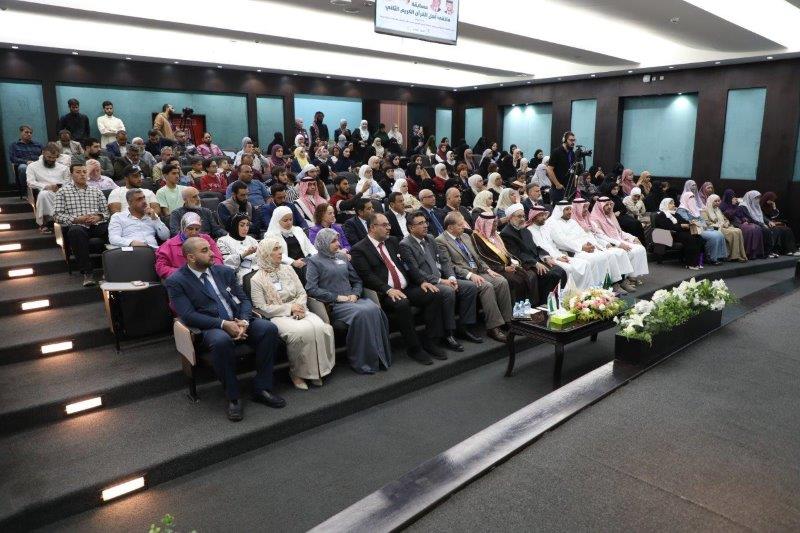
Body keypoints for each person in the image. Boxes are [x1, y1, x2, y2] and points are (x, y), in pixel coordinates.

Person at [166, 236, 284, 421]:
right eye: (204, 251)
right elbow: (188, 315)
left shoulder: (224, 271)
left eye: (210, 248)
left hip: (238, 319)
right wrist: (223, 325)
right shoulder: (177, 281)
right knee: (221, 341)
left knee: (268, 329)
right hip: (210, 326)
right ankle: (233, 396)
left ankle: (262, 388)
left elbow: (244, 300)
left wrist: (244, 321)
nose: (212, 253)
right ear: (190, 257)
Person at [350, 212, 447, 363]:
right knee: (402, 304)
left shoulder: (393, 241)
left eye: (389, 224)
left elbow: (408, 265)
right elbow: (367, 276)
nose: (389, 228)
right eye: (384, 225)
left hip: (406, 287)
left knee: (434, 293)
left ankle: (430, 341)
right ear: (372, 228)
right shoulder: (359, 249)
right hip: (385, 293)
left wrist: (421, 281)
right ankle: (414, 348)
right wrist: (388, 289)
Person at [250, 236, 334, 390]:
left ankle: (316, 371)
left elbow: (302, 292)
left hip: (300, 308)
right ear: (266, 253)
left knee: (320, 327)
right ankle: (297, 373)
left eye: (280, 248)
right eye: (275, 249)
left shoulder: (288, 269)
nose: (280, 252)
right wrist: (290, 309)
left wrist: (299, 307)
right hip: (277, 315)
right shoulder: (256, 279)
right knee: (301, 332)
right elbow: (261, 307)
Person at [306, 228, 392, 374]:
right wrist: (337, 297)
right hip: (334, 304)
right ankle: (364, 361)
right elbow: (311, 289)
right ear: (324, 242)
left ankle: (379, 356)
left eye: (338, 240)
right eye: (333, 241)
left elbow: (357, 280)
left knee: (375, 308)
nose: (338, 244)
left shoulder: (342, 257)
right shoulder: (314, 261)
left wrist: (355, 294)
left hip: (353, 299)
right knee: (362, 313)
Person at [400, 211, 483, 351]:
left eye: (425, 222)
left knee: (470, 287)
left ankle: (464, 327)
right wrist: (441, 280)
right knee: (448, 291)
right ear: (411, 228)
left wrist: (451, 277)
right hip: (425, 283)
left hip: (443, 278)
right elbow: (415, 271)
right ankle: (448, 333)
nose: (425, 225)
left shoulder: (430, 238)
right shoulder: (405, 244)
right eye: (420, 223)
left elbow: (444, 261)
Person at [436, 212, 511, 342]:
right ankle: (493, 327)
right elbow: (448, 265)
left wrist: (488, 269)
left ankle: (508, 320)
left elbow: (477, 257)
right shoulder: (441, 241)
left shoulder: (465, 236)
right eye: (460, 225)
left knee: (501, 281)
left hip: (478, 271)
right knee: (486, 286)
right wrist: (470, 275)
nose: (464, 227)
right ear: (450, 227)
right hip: (462, 276)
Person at [546, 200, 628, 292]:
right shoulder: (552, 222)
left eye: (570, 209)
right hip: (571, 251)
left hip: (583, 248)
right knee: (594, 259)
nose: (569, 212)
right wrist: (582, 247)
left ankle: (609, 285)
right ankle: (595, 289)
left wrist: (589, 244)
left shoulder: (572, 221)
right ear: (560, 210)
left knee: (605, 256)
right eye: (566, 209)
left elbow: (583, 235)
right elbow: (561, 241)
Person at [53, 162, 109, 286]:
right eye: (78, 172)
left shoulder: (96, 191)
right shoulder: (62, 192)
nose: (82, 175)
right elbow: (57, 215)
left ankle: (111, 268)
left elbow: (106, 212)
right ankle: (87, 273)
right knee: (75, 232)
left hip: (96, 224)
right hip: (77, 225)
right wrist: (76, 219)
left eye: (84, 172)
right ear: (71, 175)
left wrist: (98, 217)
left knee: (112, 229)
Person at [500, 204, 567, 304]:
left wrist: (546, 257)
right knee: (551, 275)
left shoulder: (525, 230)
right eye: (519, 216)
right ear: (510, 218)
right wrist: (535, 263)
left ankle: (558, 300)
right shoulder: (506, 233)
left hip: (535, 260)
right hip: (525, 264)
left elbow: (535, 247)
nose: (522, 219)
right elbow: (517, 254)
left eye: (523, 216)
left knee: (561, 271)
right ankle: (545, 303)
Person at [529, 204, 604, 291]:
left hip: (558, 254)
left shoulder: (544, 228)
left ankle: (586, 291)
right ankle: (570, 293)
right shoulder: (530, 231)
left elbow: (552, 245)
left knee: (585, 264)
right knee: (569, 268)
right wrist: (557, 257)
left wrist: (560, 255)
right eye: (541, 215)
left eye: (544, 215)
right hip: (547, 259)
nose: (544, 217)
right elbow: (541, 249)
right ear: (534, 217)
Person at [472, 212, 538, 304]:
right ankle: (516, 309)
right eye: (493, 223)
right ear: (485, 224)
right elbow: (483, 258)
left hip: (505, 266)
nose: (496, 225)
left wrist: (512, 262)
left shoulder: (495, 235)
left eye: (496, 222)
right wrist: (503, 268)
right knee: (515, 280)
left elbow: (505, 252)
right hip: (493, 269)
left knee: (527, 274)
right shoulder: (477, 238)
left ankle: (530, 306)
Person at [570, 197, 635, 291]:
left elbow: (598, 235)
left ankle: (622, 281)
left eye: (586, 207)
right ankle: (611, 285)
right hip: (583, 249)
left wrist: (605, 244)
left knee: (619, 252)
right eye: (583, 207)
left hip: (597, 245)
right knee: (609, 256)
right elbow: (574, 239)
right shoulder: (573, 223)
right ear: (577, 209)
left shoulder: (588, 219)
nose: (586, 210)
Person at [589, 196, 650, 280]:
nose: (609, 207)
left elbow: (619, 232)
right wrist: (619, 244)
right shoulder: (594, 219)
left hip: (619, 240)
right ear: (600, 206)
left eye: (610, 204)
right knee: (625, 252)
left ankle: (632, 276)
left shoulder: (610, 215)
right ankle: (623, 279)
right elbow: (601, 236)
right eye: (606, 205)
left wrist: (633, 238)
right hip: (608, 243)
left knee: (640, 248)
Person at [156, 211, 223, 278]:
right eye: (190, 229)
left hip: (208, 276)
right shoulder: (168, 245)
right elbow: (161, 268)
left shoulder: (207, 239)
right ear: (183, 228)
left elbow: (217, 258)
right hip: (182, 279)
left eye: (197, 229)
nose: (194, 232)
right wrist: (185, 273)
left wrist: (211, 271)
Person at [265, 205, 317, 283]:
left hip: (304, 261)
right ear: (277, 220)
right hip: (286, 265)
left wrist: (315, 256)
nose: (289, 222)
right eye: (285, 220)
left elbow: (309, 247)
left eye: (291, 219)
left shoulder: (298, 230)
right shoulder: (271, 235)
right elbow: (275, 254)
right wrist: (293, 262)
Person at [676, 191, 727, 265]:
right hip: (693, 230)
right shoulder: (681, 210)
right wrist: (698, 222)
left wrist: (700, 223)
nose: (692, 199)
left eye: (693, 197)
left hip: (701, 228)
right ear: (685, 199)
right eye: (690, 198)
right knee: (714, 236)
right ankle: (711, 258)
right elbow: (687, 221)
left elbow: (702, 220)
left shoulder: (694, 208)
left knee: (720, 234)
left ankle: (718, 256)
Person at [27, 143, 70, 231]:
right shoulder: (32, 166)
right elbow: (30, 182)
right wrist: (46, 186)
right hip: (43, 190)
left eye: (54, 158)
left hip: (61, 190)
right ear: (43, 153)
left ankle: (65, 221)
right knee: (44, 194)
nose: (51, 160)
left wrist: (60, 186)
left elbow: (68, 181)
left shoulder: (63, 168)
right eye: (49, 157)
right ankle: (48, 221)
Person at [742, 190, 799, 256]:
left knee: (786, 230)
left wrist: (769, 220)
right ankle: (772, 251)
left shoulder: (757, 206)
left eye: (759, 198)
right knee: (774, 230)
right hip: (756, 224)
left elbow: (763, 217)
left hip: (764, 223)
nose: (758, 200)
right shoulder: (747, 206)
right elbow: (750, 218)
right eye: (756, 198)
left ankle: (789, 250)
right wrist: (763, 224)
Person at [655, 198, 704, 269]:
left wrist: (690, 223)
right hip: (670, 235)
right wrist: (681, 226)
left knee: (699, 238)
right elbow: (667, 227)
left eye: (673, 203)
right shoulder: (661, 215)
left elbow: (684, 221)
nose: (673, 205)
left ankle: (699, 262)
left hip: (681, 232)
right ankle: (690, 263)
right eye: (671, 203)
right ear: (665, 204)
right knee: (690, 239)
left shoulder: (675, 214)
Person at [720, 189, 766, 260]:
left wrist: (744, 220)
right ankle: (747, 253)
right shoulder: (723, 206)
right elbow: (729, 216)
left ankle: (756, 253)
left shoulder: (736, 205)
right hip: (731, 223)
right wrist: (733, 206)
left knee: (757, 228)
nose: (733, 198)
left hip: (740, 222)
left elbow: (741, 215)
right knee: (751, 229)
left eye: (734, 196)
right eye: (731, 196)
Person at [702, 195, 747, 262]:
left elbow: (725, 219)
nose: (718, 203)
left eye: (718, 201)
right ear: (711, 201)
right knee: (733, 233)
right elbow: (706, 223)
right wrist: (719, 225)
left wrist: (726, 223)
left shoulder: (718, 209)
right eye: (715, 201)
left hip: (724, 226)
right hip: (715, 229)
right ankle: (733, 256)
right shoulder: (705, 211)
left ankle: (739, 255)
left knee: (738, 230)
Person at [9, 125, 44, 198]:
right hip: (24, 164)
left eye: (30, 133)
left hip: (37, 164)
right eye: (26, 132)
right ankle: (26, 192)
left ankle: (41, 190)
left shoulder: (38, 144)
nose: (29, 134)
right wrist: (26, 162)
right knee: (23, 168)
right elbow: (13, 158)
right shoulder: (14, 145)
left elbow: (44, 155)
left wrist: (38, 161)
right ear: (21, 132)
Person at [546, 132, 576, 204]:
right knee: (558, 209)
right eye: (571, 140)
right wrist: (557, 184)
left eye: (574, 140)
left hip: (569, 188)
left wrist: (574, 184)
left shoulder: (572, 153)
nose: (573, 142)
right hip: (559, 188)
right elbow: (549, 169)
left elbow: (573, 169)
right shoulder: (556, 152)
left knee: (569, 209)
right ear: (564, 140)